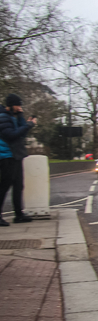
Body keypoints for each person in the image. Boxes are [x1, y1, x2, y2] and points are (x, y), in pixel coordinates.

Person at [0, 94, 37, 225]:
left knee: (18, 186)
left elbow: (22, 134)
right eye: (18, 105)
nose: (19, 107)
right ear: (10, 105)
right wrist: (28, 125)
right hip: (6, 156)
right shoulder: (3, 117)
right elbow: (11, 135)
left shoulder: (12, 117)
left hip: (15, 155)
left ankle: (19, 214)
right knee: (4, 186)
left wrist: (23, 119)